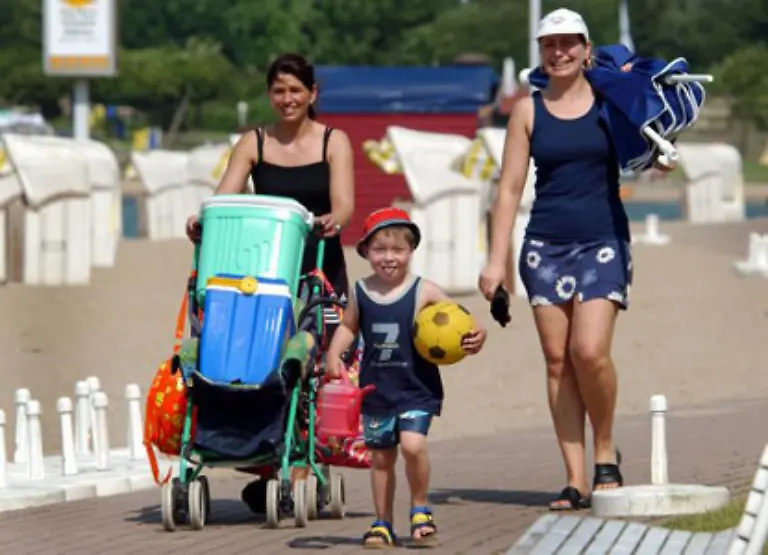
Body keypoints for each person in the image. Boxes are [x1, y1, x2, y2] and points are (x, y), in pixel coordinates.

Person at [478, 8, 674, 511]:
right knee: (558, 361)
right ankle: (575, 477)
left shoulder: (613, 100)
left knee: (589, 351)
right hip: (545, 245)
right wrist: (495, 262)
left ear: (588, 49)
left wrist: (660, 157)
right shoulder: (528, 110)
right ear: (541, 53)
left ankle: (605, 448)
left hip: (604, 238)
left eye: (569, 43)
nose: (559, 51)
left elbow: (649, 148)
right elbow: (509, 191)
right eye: (550, 44)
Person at [184, 52, 355, 513]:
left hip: (318, 263)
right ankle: (267, 461)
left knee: (310, 365)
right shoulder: (254, 142)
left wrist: (328, 221)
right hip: (263, 269)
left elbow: (344, 205)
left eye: (296, 90)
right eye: (279, 91)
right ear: (269, 95)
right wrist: (203, 221)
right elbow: (225, 198)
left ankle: (297, 465)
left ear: (312, 94)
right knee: (256, 359)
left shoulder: (333, 142)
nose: (287, 99)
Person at [326, 207, 488, 548]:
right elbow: (348, 326)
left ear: (410, 251)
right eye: (380, 250)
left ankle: (420, 508)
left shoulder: (424, 290)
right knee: (381, 459)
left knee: (414, 445)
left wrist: (478, 335)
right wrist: (332, 355)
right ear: (366, 251)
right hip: (376, 391)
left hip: (417, 389)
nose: (389, 258)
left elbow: (463, 321)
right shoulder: (360, 291)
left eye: (397, 250)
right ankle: (382, 522)